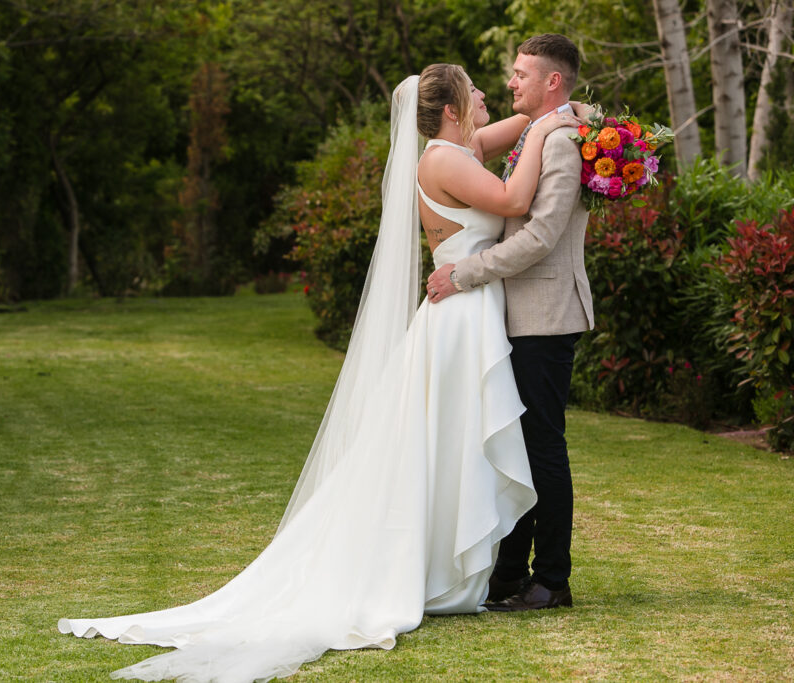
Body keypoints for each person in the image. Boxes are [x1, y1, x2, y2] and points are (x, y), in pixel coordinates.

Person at [58, 64, 580, 681]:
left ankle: (475, 564)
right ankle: (455, 566)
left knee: (458, 443)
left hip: (471, 312)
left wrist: (561, 114)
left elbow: (522, 123)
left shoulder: (459, 148)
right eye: (475, 89)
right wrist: (548, 127)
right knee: (453, 442)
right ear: (450, 109)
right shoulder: (446, 159)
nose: (489, 93)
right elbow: (515, 200)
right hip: (461, 315)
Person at [427, 34, 593, 612]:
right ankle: (508, 575)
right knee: (514, 446)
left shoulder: (562, 140)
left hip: (544, 314)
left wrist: (464, 273)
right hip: (509, 315)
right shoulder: (538, 130)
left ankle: (551, 580)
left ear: (552, 81)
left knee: (542, 447)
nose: (509, 81)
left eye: (521, 73)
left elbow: (539, 236)